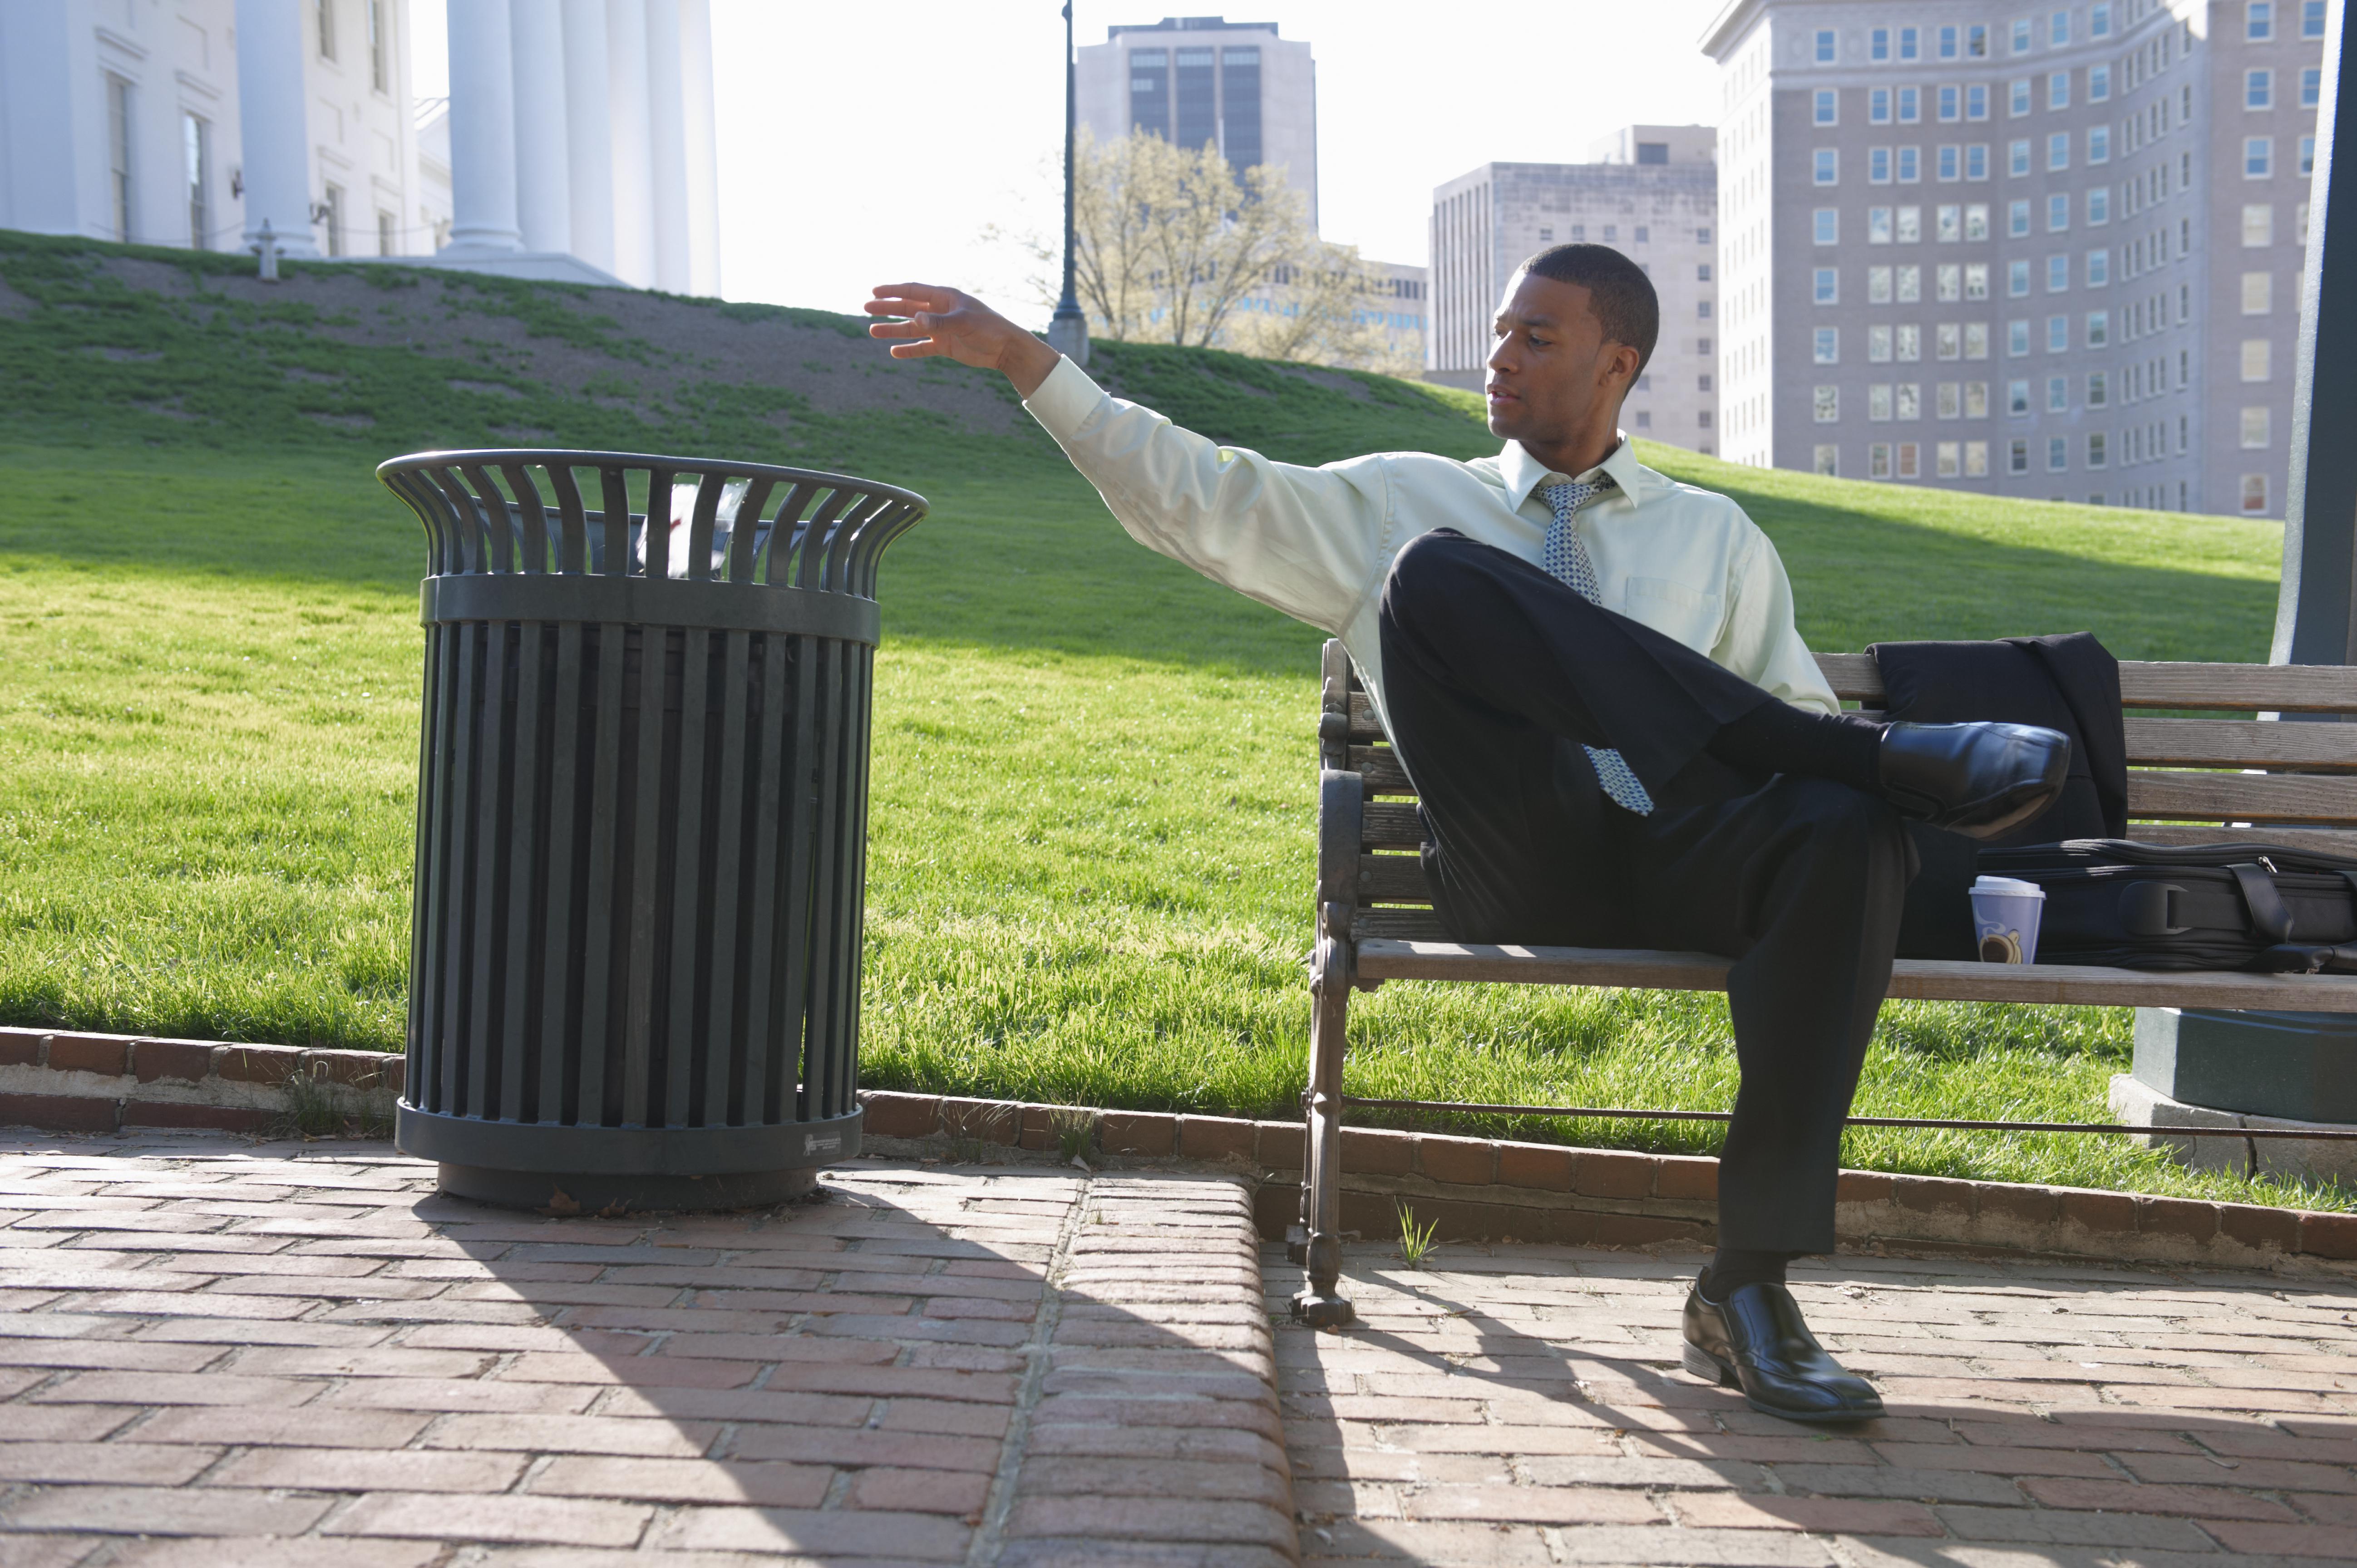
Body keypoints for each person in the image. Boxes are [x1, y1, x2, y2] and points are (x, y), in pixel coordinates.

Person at [863, 247, 2066, 1424]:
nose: (1500, 357)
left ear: (1618, 362)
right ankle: (1884, 752)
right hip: (1519, 853)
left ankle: (1750, 1287)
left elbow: (1784, 730)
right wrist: (1027, 361)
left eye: (1537, 337)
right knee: (1437, 576)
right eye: (1498, 330)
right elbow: (1197, 496)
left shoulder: (1716, 539)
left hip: (1684, 857)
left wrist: (1826, 768)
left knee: (1846, 826)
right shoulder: (1402, 496)